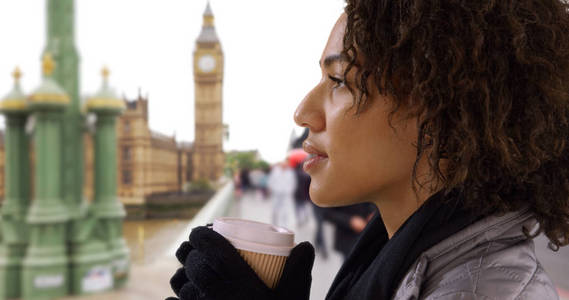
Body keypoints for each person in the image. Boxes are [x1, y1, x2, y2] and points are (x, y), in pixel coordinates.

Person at [168, 1, 569, 299]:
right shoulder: (398, 260)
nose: (303, 112)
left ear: (444, 102)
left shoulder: (485, 291)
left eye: (339, 80)